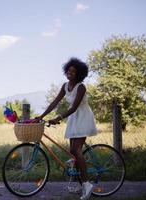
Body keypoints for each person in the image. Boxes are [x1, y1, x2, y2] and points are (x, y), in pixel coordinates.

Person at [35, 57, 97, 200]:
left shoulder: (81, 87)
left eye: (73, 72)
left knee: (76, 150)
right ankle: (79, 184)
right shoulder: (65, 86)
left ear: (79, 74)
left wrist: (58, 118)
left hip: (83, 117)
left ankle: (87, 184)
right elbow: (55, 101)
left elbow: (75, 107)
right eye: (68, 71)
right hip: (73, 119)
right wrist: (41, 115)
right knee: (72, 152)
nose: (70, 74)